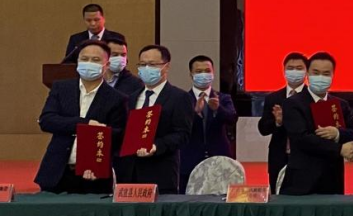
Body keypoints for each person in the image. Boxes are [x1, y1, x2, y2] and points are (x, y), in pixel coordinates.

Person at [35, 40, 128, 193]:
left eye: (95, 60)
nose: (89, 63)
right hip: (57, 172)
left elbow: (119, 136)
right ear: (77, 62)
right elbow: (46, 121)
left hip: (94, 175)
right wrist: (84, 124)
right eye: (84, 59)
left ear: (107, 65)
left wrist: (98, 163)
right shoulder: (61, 88)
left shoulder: (117, 99)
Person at [112, 45, 194, 194]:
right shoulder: (131, 98)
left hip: (160, 173)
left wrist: (156, 146)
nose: (147, 68)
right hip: (129, 174)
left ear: (166, 67)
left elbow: (182, 134)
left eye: (152, 64)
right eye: (143, 64)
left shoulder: (179, 97)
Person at [280, 52, 353, 195]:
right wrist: (339, 149)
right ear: (307, 74)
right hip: (302, 180)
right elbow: (301, 138)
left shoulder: (340, 104)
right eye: (316, 73)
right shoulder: (292, 103)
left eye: (326, 74)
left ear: (332, 75)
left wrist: (337, 133)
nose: (320, 77)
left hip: (332, 178)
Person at [178, 55, 239, 193]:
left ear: (213, 73)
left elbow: (232, 119)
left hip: (219, 156)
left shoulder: (223, 98)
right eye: (199, 71)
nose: (203, 75)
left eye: (207, 71)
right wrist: (195, 113)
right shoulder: (182, 99)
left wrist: (218, 109)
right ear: (191, 74)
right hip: (189, 158)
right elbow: (180, 126)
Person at [257, 52, 308, 192]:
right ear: (284, 71)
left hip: (305, 157)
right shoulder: (273, 98)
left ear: (306, 72)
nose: (294, 72)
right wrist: (277, 122)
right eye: (290, 68)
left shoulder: (312, 98)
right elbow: (263, 128)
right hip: (279, 157)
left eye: (299, 68)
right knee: (277, 194)